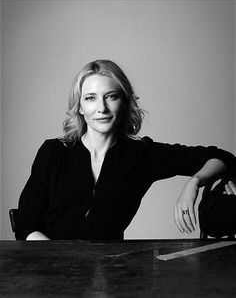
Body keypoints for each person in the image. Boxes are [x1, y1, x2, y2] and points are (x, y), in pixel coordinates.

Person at [16, 59, 236, 240]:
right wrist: (61, 263)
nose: (101, 108)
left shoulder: (141, 155)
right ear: (80, 107)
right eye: (91, 98)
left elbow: (223, 157)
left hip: (109, 277)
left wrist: (194, 183)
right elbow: (26, 225)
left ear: (124, 102)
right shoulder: (53, 151)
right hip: (49, 268)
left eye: (111, 96)